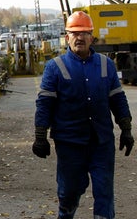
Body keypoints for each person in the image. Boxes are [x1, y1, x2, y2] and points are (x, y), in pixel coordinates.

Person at [33, 11, 134, 219]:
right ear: (67, 36)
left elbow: (117, 98)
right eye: (75, 33)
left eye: (85, 33)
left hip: (102, 143)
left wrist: (126, 129)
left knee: (104, 193)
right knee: (69, 193)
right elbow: (44, 104)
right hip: (70, 144)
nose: (80, 38)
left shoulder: (106, 65)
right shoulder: (55, 67)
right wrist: (40, 136)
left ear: (92, 37)